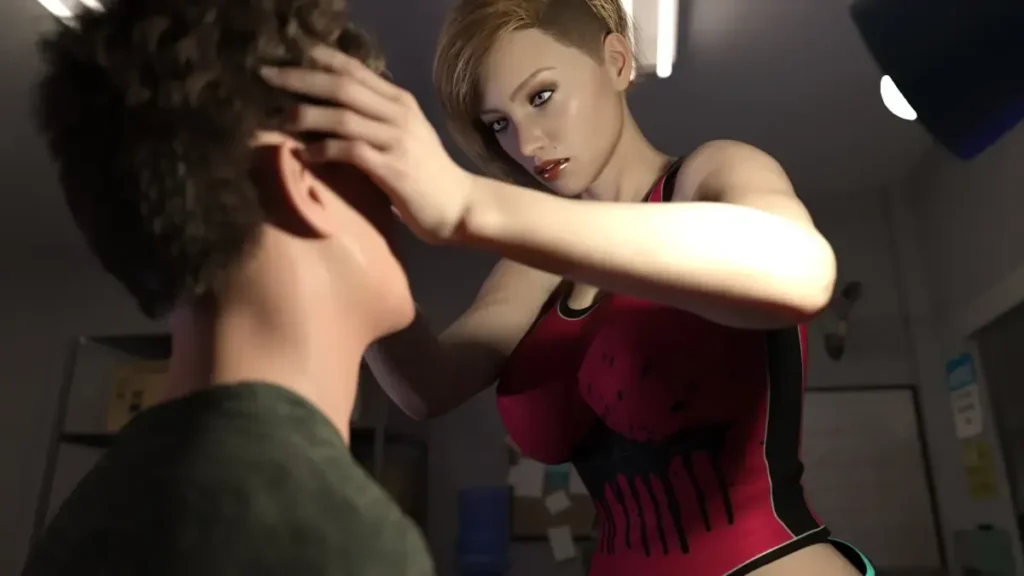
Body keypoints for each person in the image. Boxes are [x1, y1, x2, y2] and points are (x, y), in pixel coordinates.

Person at [260, 1, 873, 576]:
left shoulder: (712, 174)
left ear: (617, 61)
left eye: (542, 96)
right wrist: (353, 235)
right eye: (499, 123)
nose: (526, 144)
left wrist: (467, 203)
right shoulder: (535, 267)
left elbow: (798, 268)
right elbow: (426, 387)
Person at [23, 1, 433, 575]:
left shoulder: (92, 513)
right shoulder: (325, 530)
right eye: (386, 161)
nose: (408, 201)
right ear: (306, 182)